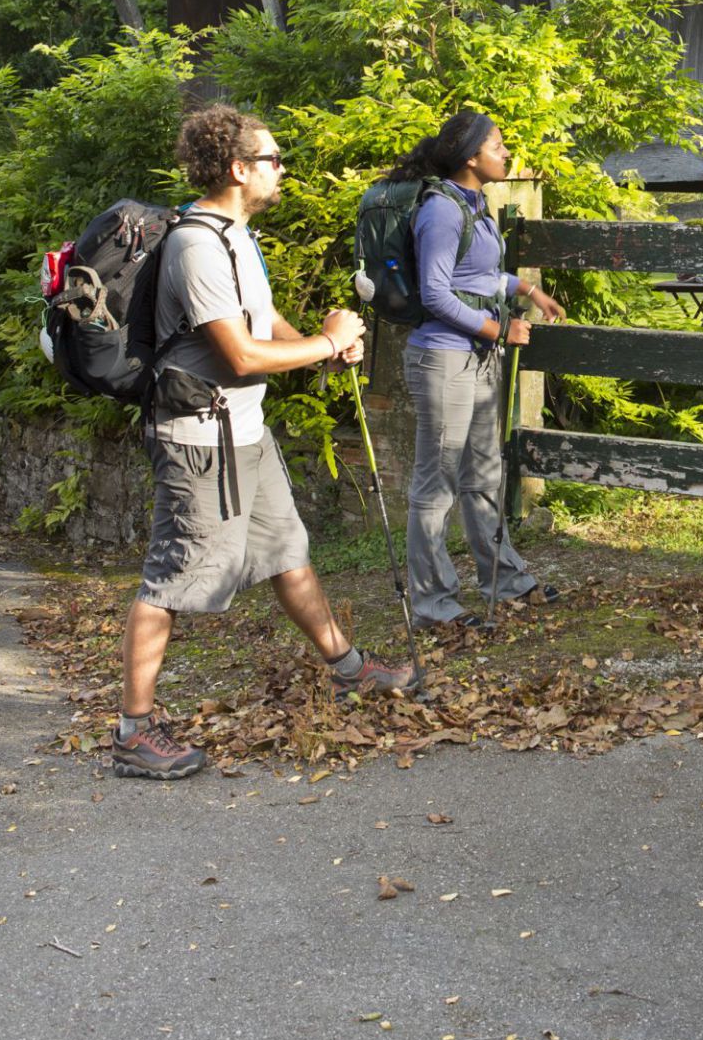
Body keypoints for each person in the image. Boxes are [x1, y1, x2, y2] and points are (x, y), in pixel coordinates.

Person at [114, 104, 417, 781]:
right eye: (274, 159)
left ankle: (348, 670)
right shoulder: (197, 244)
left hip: (243, 429)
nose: (283, 171)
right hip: (200, 440)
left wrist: (315, 348)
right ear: (238, 168)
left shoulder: (236, 235)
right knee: (175, 575)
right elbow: (239, 355)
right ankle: (134, 731)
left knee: (286, 552)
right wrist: (329, 342)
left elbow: (264, 323)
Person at [396, 111, 565, 630]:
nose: (506, 153)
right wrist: (499, 331)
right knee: (437, 483)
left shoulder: (474, 204)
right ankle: (433, 605)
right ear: (471, 157)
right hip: (444, 356)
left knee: (483, 472)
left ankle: (505, 579)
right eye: (497, 145)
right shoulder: (442, 211)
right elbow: (435, 293)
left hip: (474, 356)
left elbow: (482, 272)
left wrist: (527, 290)